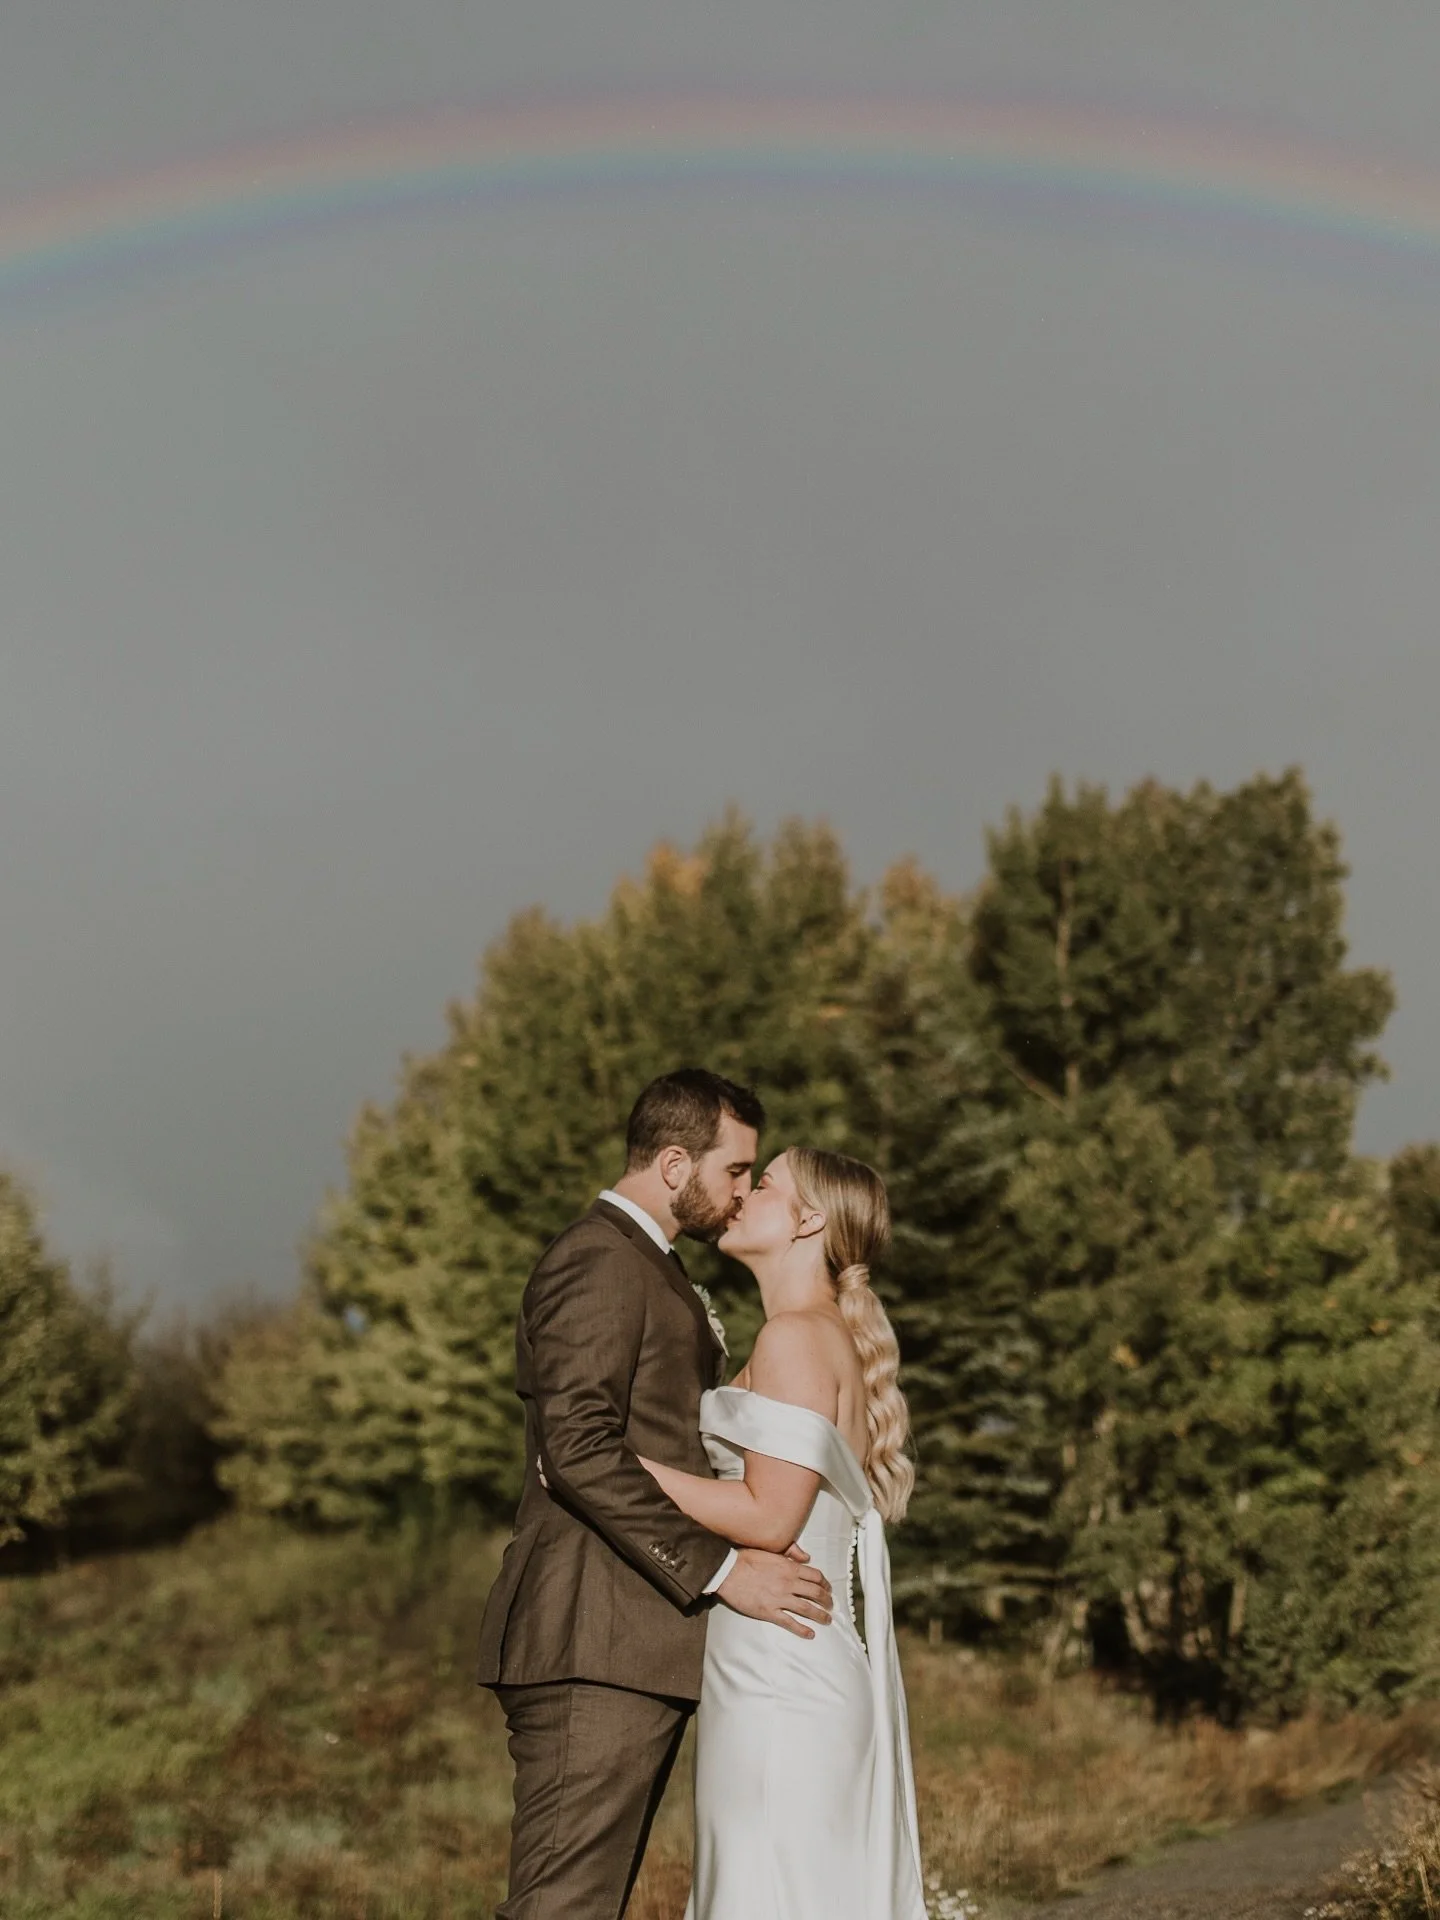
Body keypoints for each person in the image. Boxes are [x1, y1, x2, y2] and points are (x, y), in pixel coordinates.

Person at [476, 1069, 835, 1920]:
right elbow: (576, 1450)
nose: (742, 1192)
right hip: (592, 1639)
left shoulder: (651, 1266)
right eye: (736, 1171)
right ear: (676, 1164)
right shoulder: (596, 1262)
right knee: (562, 1908)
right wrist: (720, 1572)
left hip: (635, 1645)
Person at [639, 1145, 928, 1920]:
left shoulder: (796, 1338)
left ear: (808, 1220)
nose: (741, 1195)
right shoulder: (814, 1334)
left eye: (762, 1183)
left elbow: (771, 1517)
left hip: (781, 1677)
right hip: (785, 1664)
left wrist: (620, 1466)